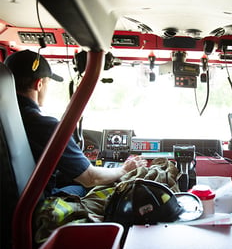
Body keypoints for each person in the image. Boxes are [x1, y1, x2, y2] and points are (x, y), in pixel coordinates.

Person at [4, 49, 147, 197]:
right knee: (88, 189)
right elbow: (91, 178)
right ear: (39, 84)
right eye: (48, 83)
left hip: (8, 203)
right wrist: (124, 170)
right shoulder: (43, 125)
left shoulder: (8, 119)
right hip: (32, 206)